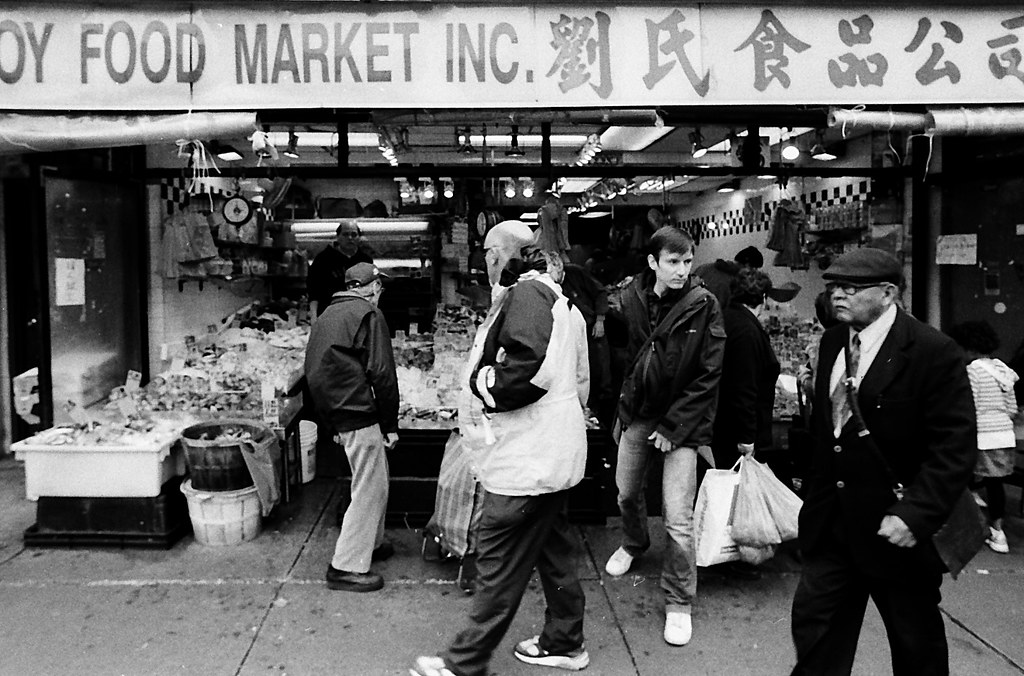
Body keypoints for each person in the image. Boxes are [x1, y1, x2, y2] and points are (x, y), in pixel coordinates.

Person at [411, 221, 592, 676]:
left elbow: (526, 373)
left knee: (498, 561)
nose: (484, 261)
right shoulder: (556, 299)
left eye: (487, 252)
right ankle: (566, 642)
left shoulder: (528, 296)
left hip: (526, 462)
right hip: (551, 454)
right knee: (553, 553)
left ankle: (463, 663)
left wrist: (481, 383)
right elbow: (583, 379)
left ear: (498, 254)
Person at [790, 248, 976, 676]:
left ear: (888, 293)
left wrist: (915, 515)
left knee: (916, 648)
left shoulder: (932, 351)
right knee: (816, 638)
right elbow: (829, 434)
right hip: (832, 529)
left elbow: (955, 446)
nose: (838, 295)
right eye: (834, 286)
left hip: (896, 533)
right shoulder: (834, 340)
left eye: (851, 288)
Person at [604, 225, 726, 647]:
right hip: (639, 414)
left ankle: (679, 600)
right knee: (625, 491)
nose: (681, 269)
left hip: (683, 424)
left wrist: (675, 428)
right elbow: (625, 359)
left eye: (687, 261)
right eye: (673, 262)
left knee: (677, 516)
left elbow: (710, 374)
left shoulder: (704, 304)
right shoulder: (630, 298)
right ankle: (634, 541)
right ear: (653, 262)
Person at [303, 262, 399, 592]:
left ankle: (370, 543)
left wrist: (329, 420)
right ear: (371, 288)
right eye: (380, 288)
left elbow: (314, 371)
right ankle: (345, 566)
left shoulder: (329, 315)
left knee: (375, 481)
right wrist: (390, 423)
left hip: (338, 410)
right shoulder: (368, 315)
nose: (380, 294)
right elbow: (382, 374)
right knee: (369, 488)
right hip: (359, 412)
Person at [946, 320, 1019, 554]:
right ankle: (998, 530)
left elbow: (970, 405)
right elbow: (1012, 408)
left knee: (958, 473)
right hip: (1004, 435)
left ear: (967, 347)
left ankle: (969, 527)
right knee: (995, 483)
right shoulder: (1003, 370)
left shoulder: (972, 371)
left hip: (980, 435)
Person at [711, 268, 781, 472]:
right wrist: (747, 437)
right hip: (736, 434)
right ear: (764, 298)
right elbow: (744, 388)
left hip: (721, 425)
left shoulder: (725, 318)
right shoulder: (746, 331)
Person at [560, 260, 614, 426]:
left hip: (593, 328)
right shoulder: (549, 284)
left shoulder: (575, 272)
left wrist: (600, 319)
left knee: (601, 373)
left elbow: (600, 292)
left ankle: (602, 416)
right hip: (572, 333)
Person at [307, 221, 373, 318]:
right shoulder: (323, 259)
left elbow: (372, 292)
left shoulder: (365, 260)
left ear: (359, 238)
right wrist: (313, 316)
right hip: (329, 314)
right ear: (338, 237)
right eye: (345, 234)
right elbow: (314, 291)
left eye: (354, 235)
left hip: (359, 315)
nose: (350, 238)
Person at [692, 245, 764, 310]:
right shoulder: (729, 283)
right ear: (747, 265)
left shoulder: (704, 268)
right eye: (754, 269)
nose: (752, 274)